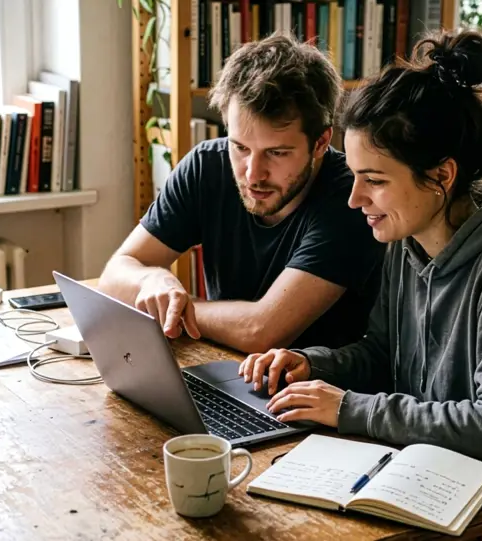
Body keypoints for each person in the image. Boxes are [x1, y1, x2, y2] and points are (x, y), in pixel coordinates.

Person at [238, 31, 482, 540]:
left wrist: (350, 408)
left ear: (441, 175)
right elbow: (384, 352)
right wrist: (312, 363)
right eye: (354, 177)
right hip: (446, 480)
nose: (355, 200)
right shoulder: (409, 241)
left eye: (375, 179)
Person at [97, 33, 385, 354]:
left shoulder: (353, 198)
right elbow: (114, 276)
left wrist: (179, 309)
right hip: (222, 365)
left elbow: (261, 332)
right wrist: (151, 282)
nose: (252, 174)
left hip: (311, 390)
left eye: (276, 153)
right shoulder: (207, 165)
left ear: (320, 142)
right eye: (240, 147)